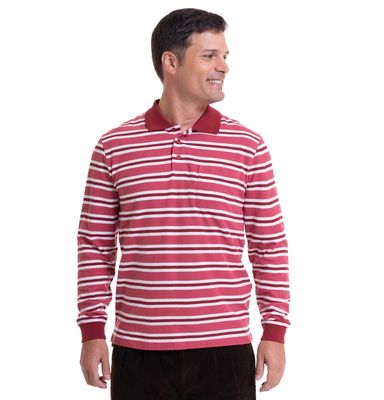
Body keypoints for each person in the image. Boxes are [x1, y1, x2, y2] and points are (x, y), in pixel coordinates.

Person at [77, 8, 290, 400]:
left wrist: (274, 332)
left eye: (224, 56)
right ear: (170, 63)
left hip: (224, 349)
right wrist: (91, 331)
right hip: (138, 349)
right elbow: (94, 246)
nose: (223, 66)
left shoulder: (248, 146)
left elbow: (269, 245)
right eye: (209, 55)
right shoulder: (113, 147)